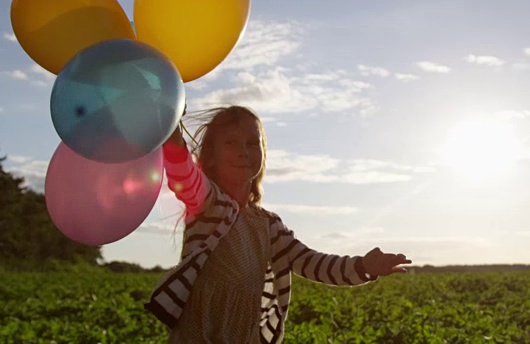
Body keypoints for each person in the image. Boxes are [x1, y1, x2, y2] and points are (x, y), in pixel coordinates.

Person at [145, 105, 411, 343]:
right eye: (231, 142)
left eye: (252, 143)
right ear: (210, 157)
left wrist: (363, 266)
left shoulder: (268, 225)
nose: (243, 152)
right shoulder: (206, 203)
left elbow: (312, 263)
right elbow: (183, 172)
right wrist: (171, 130)